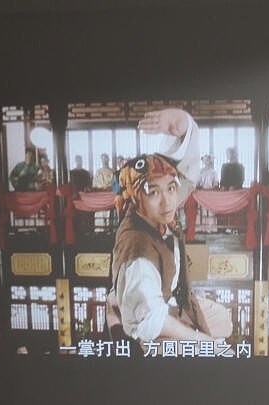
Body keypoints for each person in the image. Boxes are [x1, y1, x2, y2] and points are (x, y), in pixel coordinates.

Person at [107, 108, 228, 350]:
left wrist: (183, 127)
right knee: (219, 350)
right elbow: (150, 321)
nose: (168, 201)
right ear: (135, 198)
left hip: (165, 302)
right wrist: (205, 342)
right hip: (146, 331)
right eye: (153, 192)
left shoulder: (154, 211)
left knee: (223, 319)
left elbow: (185, 177)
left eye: (171, 189)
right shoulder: (137, 246)